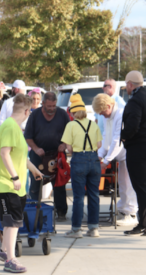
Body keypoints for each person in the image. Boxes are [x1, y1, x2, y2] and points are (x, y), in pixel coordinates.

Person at [0, 94, 42, 273]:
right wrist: (14, 177)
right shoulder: (11, 127)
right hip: (6, 184)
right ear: (27, 111)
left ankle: (4, 251)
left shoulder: (16, 128)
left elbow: (20, 157)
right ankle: (10, 260)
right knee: (12, 223)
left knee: (10, 222)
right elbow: (5, 154)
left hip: (13, 185)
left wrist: (34, 170)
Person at [92, 93, 138, 226]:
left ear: (108, 106)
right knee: (122, 184)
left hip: (130, 153)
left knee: (129, 184)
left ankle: (132, 213)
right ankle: (124, 210)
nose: (101, 115)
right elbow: (107, 136)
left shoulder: (121, 114)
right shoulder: (108, 116)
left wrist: (106, 160)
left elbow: (118, 140)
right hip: (121, 155)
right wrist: (100, 155)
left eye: (101, 111)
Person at [61, 94, 102, 238]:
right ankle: (93, 228)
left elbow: (69, 149)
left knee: (78, 197)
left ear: (72, 112)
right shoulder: (93, 124)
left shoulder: (71, 125)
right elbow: (99, 145)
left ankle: (76, 229)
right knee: (94, 195)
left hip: (79, 160)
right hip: (94, 160)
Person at [25, 92, 70, 221]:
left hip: (57, 155)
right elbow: (28, 136)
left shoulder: (62, 114)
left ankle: (61, 211)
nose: (51, 109)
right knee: (35, 184)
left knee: (59, 184)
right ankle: (35, 211)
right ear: (43, 103)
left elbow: (70, 133)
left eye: (54, 106)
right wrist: (36, 148)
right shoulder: (35, 115)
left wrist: (64, 144)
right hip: (38, 156)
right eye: (49, 106)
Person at [121, 71, 146, 236]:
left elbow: (133, 124)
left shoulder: (136, 100)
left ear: (130, 84)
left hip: (138, 148)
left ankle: (143, 223)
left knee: (140, 186)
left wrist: (124, 137)